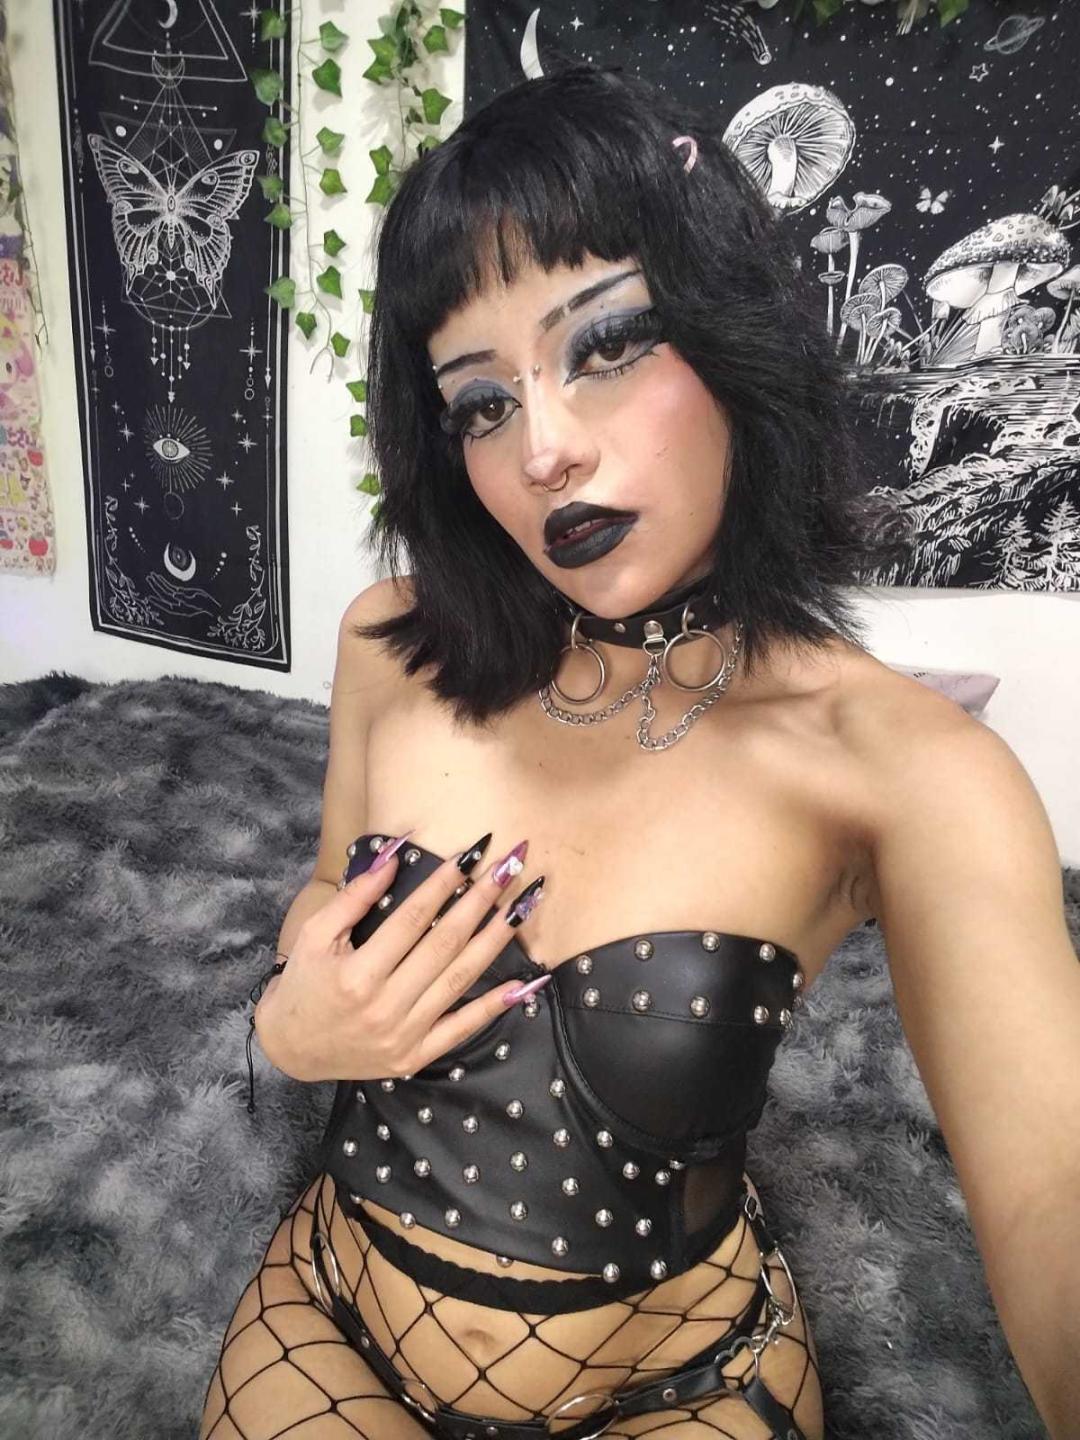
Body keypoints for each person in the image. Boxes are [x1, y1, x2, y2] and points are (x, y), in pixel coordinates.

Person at [199, 63, 1080, 1440]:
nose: (542, 449)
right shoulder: (389, 643)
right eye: (481, 404)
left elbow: (1051, 1191)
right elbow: (327, 895)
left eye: (606, 345)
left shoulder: (905, 769)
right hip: (330, 1319)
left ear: (731, 341)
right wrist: (288, 1021)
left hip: (685, 1380)